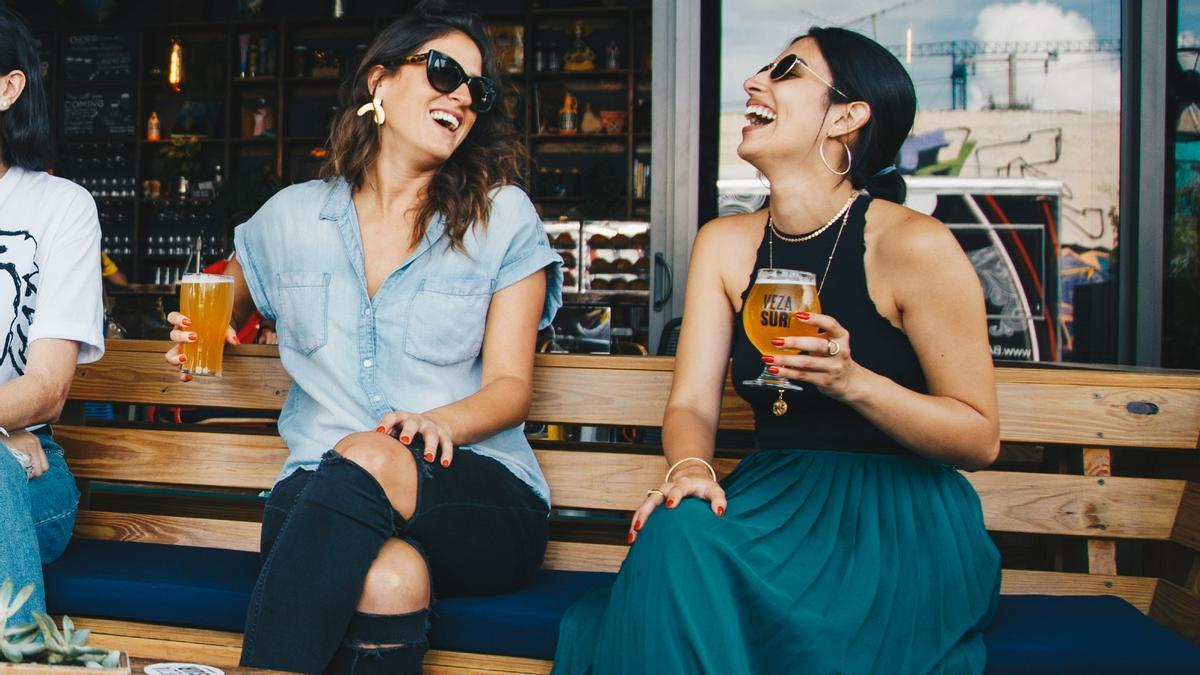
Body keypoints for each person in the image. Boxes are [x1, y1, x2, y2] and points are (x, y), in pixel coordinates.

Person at [553, 26, 1001, 674]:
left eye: (787, 71)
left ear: (846, 118)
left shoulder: (915, 245)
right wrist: (690, 469)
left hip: (897, 521)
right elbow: (691, 406)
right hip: (775, 501)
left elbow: (980, 437)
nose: (753, 82)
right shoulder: (726, 243)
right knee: (677, 532)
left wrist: (854, 381)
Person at [164, 3, 561, 673]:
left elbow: (511, 390)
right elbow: (223, 297)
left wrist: (431, 423)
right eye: (442, 72)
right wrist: (206, 327)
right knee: (390, 578)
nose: (462, 96)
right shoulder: (290, 218)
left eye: (477, 90)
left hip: (472, 492)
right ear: (379, 82)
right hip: (318, 491)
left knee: (374, 453)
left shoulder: (504, 219)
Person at [0, 5, 104, 626]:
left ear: (7, 87)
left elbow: (43, 392)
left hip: (30, 474)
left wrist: (11, 432)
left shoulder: (61, 208)